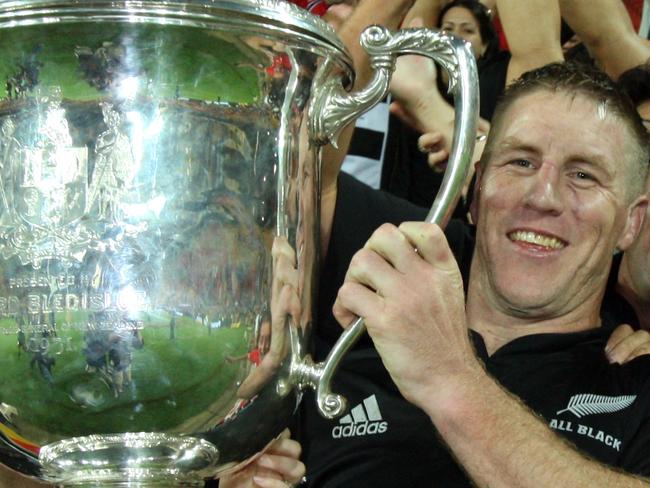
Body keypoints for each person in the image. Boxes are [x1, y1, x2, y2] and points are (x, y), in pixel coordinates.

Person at [326, 62, 650, 486]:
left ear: (630, 223)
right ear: (476, 192)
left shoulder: (639, 385)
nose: (543, 195)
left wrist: (447, 376)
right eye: (520, 162)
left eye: (583, 175)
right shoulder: (348, 358)